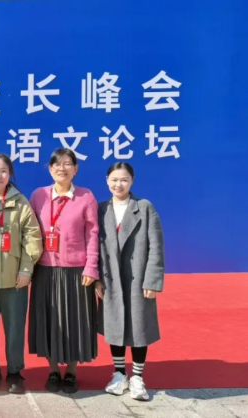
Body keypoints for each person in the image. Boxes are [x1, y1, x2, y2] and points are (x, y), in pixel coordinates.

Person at [28, 148, 99, 394]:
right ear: (50, 169)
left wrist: (91, 267)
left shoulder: (85, 197)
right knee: (49, 321)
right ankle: (52, 370)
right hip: (45, 270)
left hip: (76, 272)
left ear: (75, 169)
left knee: (74, 322)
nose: (62, 168)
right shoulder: (38, 196)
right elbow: (30, 232)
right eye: (57, 164)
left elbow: (93, 234)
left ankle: (70, 372)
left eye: (68, 164)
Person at [0, 153, 42, 394]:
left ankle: (14, 372)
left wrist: (26, 269)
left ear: (10, 173)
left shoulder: (21, 203)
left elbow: (32, 237)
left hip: (15, 280)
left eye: (3, 171)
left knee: (15, 328)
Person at [96, 162, 164, 401]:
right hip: (111, 278)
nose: (119, 184)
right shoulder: (101, 209)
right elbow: (94, 246)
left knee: (138, 325)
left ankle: (137, 377)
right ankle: (119, 373)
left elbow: (156, 246)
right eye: (114, 179)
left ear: (132, 181)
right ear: (107, 180)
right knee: (114, 324)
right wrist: (97, 279)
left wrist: (152, 280)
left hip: (138, 277)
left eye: (124, 179)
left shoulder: (144, 207)